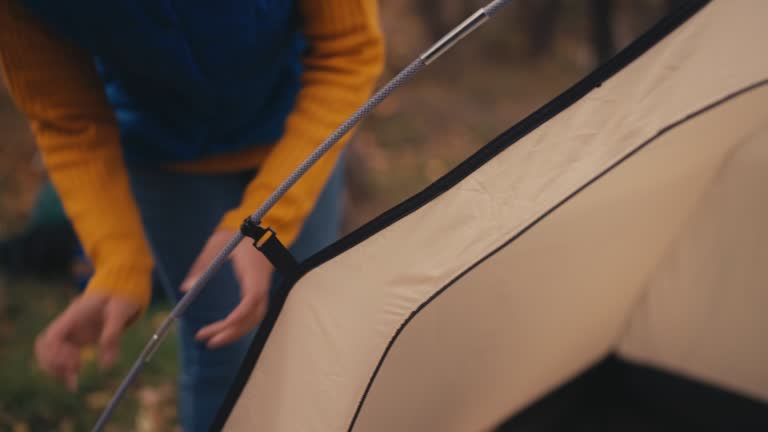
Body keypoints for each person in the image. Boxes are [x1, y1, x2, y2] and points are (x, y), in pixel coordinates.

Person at [0, 0, 384, 430]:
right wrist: (119, 263)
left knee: (308, 328)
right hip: (167, 157)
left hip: (301, 129)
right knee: (218, 352)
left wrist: (269, 220)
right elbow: (68, 120)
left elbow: (348, 50)